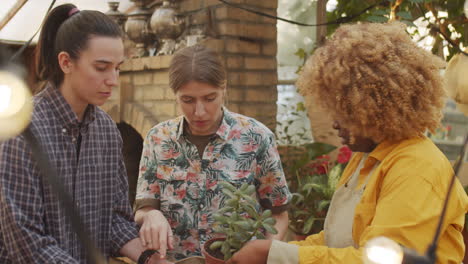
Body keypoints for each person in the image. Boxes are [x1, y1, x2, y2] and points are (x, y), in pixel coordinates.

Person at [226, 22, 468, 264]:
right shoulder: (368, 157)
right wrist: (275, 250)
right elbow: (337, 240)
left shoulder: (417, 170)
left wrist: (279, 255)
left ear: (376, 109)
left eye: (344, 112)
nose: (334, 124)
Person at [0, 4, 169, 264]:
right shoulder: (21, 130)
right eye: (102, 67)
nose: (113, 79)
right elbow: (26, 244)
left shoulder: (106, 130)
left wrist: (149, 258)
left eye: (117, 68)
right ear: (66, 62)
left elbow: (115, 220)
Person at [134, 45, 291, 261]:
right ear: (175, 95)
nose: (199, 112)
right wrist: (151, 215)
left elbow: (278, 213)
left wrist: (268, 254)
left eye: (209, 98)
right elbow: (143, 209)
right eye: (187, 100)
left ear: (224, 89)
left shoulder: (256, 137)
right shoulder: (158, 138)